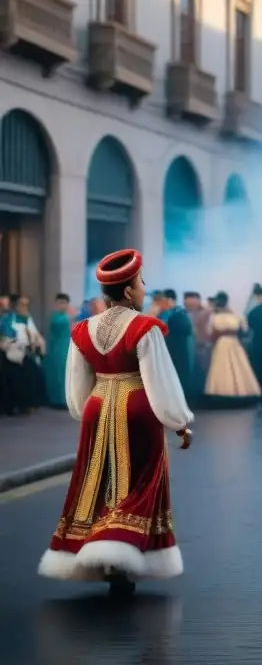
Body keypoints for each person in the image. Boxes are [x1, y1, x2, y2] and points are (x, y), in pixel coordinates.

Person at [37, 249, 193, 597]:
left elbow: (76, 388)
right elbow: (161, 380)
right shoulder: (145, 328)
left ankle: (96, 549)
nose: (144, 289)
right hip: (137, 406)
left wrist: (87, 409)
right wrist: (179, 421)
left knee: (97, 479)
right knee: (140, 482)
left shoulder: (82, 329)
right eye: (141, 283)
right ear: (127, 291)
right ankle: (122, 550)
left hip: (97, 405)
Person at [204, 292, 262, 406]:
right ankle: (240, 390)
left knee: (221, 367)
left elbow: (209, 332)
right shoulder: (237, 315)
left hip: (221, 343)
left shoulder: (214, 317)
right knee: (238, 365)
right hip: (234, 342)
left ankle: (221, 392)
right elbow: (245, 330)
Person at [1, 294, 47, 414]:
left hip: (27, 352)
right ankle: (16, 406)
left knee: (34, 373)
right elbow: (6, 337)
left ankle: (29, 403)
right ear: (15, 306)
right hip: (12, 353)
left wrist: (36, 342)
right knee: (16, 378)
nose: (24, 307)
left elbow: (34, 334)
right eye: (22, 304)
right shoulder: (8, 319)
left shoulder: (27, 318)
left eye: (26, 305)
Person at [157, 290, 195, 393]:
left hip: (177, 351)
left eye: (163, 300)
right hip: (166, 351)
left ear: (170, 300)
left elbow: (187, 330)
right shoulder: (162, 314)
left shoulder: (179, 313)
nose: (161, 303)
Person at [44, 293, 73, 409]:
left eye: (65, 303)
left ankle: (64, 400)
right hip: (56, 347)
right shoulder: (57, 317)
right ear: (56, 304)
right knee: (57, 373)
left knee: (66, 373)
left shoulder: (65, 316)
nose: (63, 305)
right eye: (60, 303)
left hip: (66, 345)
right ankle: (57, 400)